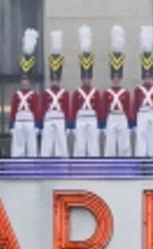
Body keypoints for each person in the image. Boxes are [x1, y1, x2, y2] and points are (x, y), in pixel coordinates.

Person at [100, 26, 133, 157]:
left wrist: (131, 123)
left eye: (118, 78)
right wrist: (102, 124)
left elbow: (129, 108)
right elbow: (103, 108)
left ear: (121, 78)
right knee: (110, 144)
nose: (116, 80)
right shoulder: (107, 92)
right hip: (111, 116)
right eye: (114, 78)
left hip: (122, 116)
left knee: (124, 144)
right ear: (111, 78)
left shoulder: (125, 92)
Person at [39, 30, 71, 159]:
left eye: (56, 79)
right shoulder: (46, 93)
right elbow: (41, 109)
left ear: (59, 80)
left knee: (61, 146)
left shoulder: (64, 93)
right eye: (53, 79)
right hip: (48, 118)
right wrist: (40, 124)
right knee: (46, 145)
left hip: (60, 117)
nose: (54, 81)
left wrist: (69, 124)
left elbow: (67, 109)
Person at [9, 29, 40, 159]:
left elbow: (37, 110)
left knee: (31, 145)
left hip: (30, 120)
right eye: (23, 81)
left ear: (30, 83)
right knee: (18, 145)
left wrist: (38, 124)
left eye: (26, 81)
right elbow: (13, 110)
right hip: (19, 120)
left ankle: (33, 163)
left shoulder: (34, 95)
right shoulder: (16, 95)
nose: (25, 83)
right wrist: (11, 124)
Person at [71, 27, 101, 158]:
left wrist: (101, 124)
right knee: (80, 146)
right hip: (81, 117)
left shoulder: (95, 92)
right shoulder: (77, 93)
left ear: (91, 78)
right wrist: (71, 124)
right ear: (81, 78)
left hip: (92, 118)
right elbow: (73, 109)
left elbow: (99, 108)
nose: (86, 80)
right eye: (84, 78)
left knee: (93, 146)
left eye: (88, 78)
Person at [134, 26, 153, 158]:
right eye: (146, 77)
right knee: (141, 137)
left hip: (152, 112)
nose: (147, 79)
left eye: (149, 77)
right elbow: (134, 106)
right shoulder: (138, 90)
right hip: (142, 112)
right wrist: (132, 122)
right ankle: (141, 160)